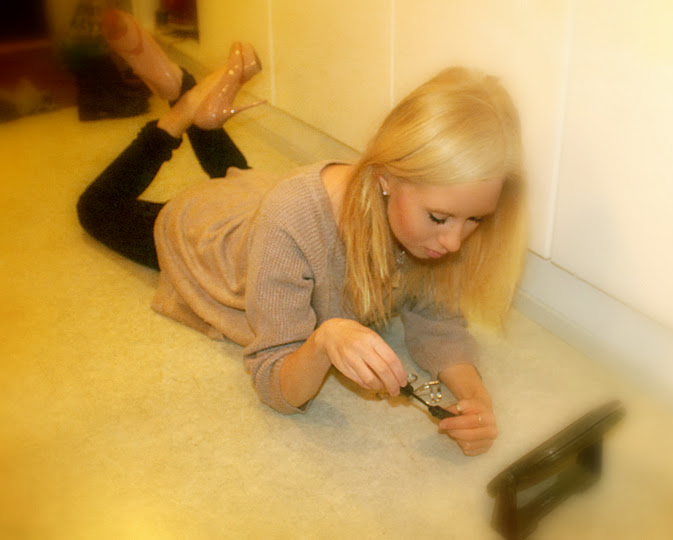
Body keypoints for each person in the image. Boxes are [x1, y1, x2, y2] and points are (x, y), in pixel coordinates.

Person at [78, 10, 528, 456]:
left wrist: (476, 400)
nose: (454, 242)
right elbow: (274, 382)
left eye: (475, 220)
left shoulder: (422, 210)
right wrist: (324, 339)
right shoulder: (290, 220)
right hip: (218, 244)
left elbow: (437, 321)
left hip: (263, 201)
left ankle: (191, 95)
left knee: (239, 176)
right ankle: (178, 116)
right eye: (439, 218)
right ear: (386, 178)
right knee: (97, 210)